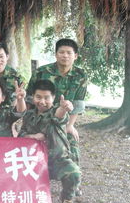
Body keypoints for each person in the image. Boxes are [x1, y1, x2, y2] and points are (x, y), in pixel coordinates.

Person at [26, 38, 87, 191]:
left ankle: (73, 184)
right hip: (40, 118)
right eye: (61, 52)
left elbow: (78, 104)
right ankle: (28, 179)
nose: (65, 56)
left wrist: (70, 126)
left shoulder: (80, 75)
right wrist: (29, 122)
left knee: (72, 142)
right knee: (28, 142)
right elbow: (29, 99)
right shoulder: (42, 72)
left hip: (63, 120)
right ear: (56, 54)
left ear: (75, 56)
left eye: (69, 53)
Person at [19, 79, 82, 203]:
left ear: (53, 98)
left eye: (46, 98)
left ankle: (67, 197)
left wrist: (64, 108)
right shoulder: (29, 115)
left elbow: (59, 116)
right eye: (38, 97)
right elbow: (21, 135)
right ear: (33, 97)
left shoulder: (54, 112)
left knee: (73, 172)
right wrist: (31, 137)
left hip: (56, 161)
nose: (42, 102)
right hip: (33, 163)